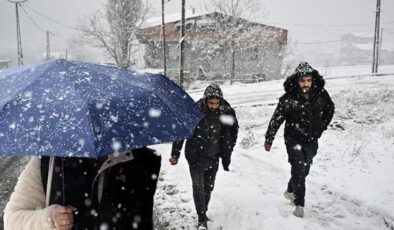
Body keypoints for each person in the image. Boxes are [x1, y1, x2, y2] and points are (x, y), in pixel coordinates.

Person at [3, 147, 161, 230]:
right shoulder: (48, 162)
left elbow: (144, 221)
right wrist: (49, 219)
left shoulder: (142, 162)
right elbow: (12, 220)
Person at [264, 62, 335, 218]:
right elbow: (276, 119)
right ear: (297, 81)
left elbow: (330, 109)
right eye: (302, 81)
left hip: (311, 139)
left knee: (305, 169)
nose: (306, 84)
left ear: (313, 80)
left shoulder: (321, 94)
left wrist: (321, 127)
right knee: (298, 168)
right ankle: (299, 205)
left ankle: (290, 190)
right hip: (293, 139)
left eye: (308, 80)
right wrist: (269, 138)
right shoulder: (288, 98)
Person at [169, 83, 238, 230]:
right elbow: (181, 133)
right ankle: (201, 219)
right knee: (198, 188)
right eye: (211, 103)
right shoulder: (193, 111)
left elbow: (232, 133)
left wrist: (228, 150)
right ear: (205, 100)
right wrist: (175, 154)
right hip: (195, 156)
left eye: (216, 103)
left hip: (214, 156)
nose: (214, 106)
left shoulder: (226, 112)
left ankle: (203, 210)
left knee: (209, 187)